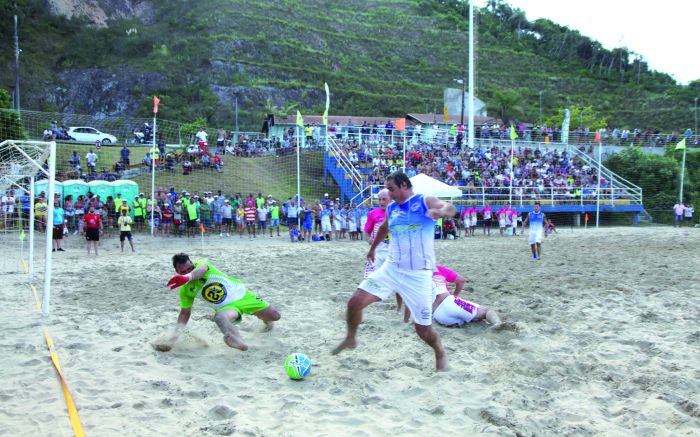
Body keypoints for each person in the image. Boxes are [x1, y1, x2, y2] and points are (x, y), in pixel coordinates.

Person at [333, 172, 456, 371]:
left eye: (391, 189)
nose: (389, 194)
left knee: (423, 330)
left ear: (404, 186)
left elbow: (448, 207)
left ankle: (439, 351)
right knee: (354, 302)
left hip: (418, 275)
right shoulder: (392, 208)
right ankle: (350, 338)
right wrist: (372, 248)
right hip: (391, 268)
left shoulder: (423, 201)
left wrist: (443, 211)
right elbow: (384, 228)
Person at [164, 253, 281, 351]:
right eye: (183, 271)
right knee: (219, 317)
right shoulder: (185, 289)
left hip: (243, 296)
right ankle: (238, 341)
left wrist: (187, 277)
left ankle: (266, 321)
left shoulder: (201, 264)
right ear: (177, 272)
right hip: (227, 308)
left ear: (192, 263)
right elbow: (185, 313)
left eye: (190, 268)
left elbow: (200, 270)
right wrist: (174, 336)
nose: (188, 271)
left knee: (275, 316)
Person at [429, 265, 503, 328]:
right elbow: (461, 281)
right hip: (449, 303)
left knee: (468, 319)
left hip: (437, 316)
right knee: (486, 311)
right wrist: (454, 295)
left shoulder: (418, 275)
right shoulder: (438, 268)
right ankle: (497, 324)